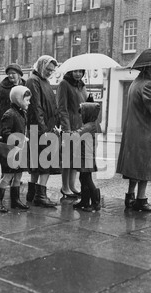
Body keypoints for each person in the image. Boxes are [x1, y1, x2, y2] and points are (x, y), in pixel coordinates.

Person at [116, 66, 151, 212]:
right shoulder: (148, 85)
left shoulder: (135, 83)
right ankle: (141, 199)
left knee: (136, 166)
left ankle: (130, 196)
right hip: (146, 133)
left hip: (136, 132)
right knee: (145, 167)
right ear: (149, 68)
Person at [26, 55, 60, 207]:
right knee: (44, 163)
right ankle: (40, 195)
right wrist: (43, 129)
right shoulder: (34, 80)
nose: (49, 72)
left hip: (43, 127)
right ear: (40, 66)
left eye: (52, 70)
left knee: (37, 163)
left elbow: (50, 105)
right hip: (41, 128)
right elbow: (36, 107)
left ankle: (32, 193)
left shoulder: (42, 81)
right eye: (47, 69)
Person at [0, 86, 31, 213]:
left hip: (19, 150)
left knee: (18, 175)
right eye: (26, 100)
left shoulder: (21, 113)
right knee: (8, 176)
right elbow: (5, 133)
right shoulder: (9, 114)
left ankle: (15, 201)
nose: (29, 103)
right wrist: (19, 138)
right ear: (19, 99)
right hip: (11, 151)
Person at [57, 70, 88, 198]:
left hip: (80, 125)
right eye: (75, 71)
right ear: (70, 72)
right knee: (67, 158)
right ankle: (65, 187)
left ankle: (72, 185)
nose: (78, 74)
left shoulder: (82, 85)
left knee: (75, 158)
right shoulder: (64, 84)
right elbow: (62, 107)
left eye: (80, 71)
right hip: (70, 125)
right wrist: (66, 128)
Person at [71, 102, 101, 212]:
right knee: (83, 178)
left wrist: (62, 133)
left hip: (86, 158)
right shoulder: (92, 125)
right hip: (86, 157)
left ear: (88, 114)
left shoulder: (88, 126)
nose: (80, 116)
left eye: (82, 113)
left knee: (87, 180)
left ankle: (95, 203)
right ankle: (85, 201)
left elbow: (75, 135)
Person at [0, 63, 25, 141]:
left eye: (13, 73)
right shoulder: (2, 87)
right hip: (2, 121)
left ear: (19, 75)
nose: (10, 75)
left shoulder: (25, 86)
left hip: (19, 121)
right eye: (9, 74)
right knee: (3, 146)